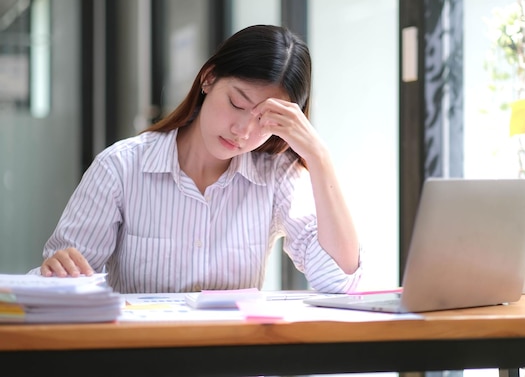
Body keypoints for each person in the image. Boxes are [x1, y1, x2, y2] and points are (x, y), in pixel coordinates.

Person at [30, 24, 362, 294]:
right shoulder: (120, 168)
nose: (242, 130)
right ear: (208, 79)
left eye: (265, 119)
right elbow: (59, 286)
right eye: (236, 103)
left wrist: (319, 157)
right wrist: (60, 272)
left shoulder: (277, 176)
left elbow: (339, 279)